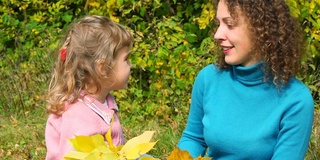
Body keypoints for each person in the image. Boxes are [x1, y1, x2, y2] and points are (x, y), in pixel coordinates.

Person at [178, 0, 314, 159]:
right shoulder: (208, 79)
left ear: (261, 29)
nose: (217, 35)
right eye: (218, 24)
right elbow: (194, 138)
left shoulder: (296, 100)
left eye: (230, 24)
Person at [45, 15, 133, 160]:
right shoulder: (80, 117)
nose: (130, 65)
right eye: (126, 59)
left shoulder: (102, 102)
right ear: (103, 68)